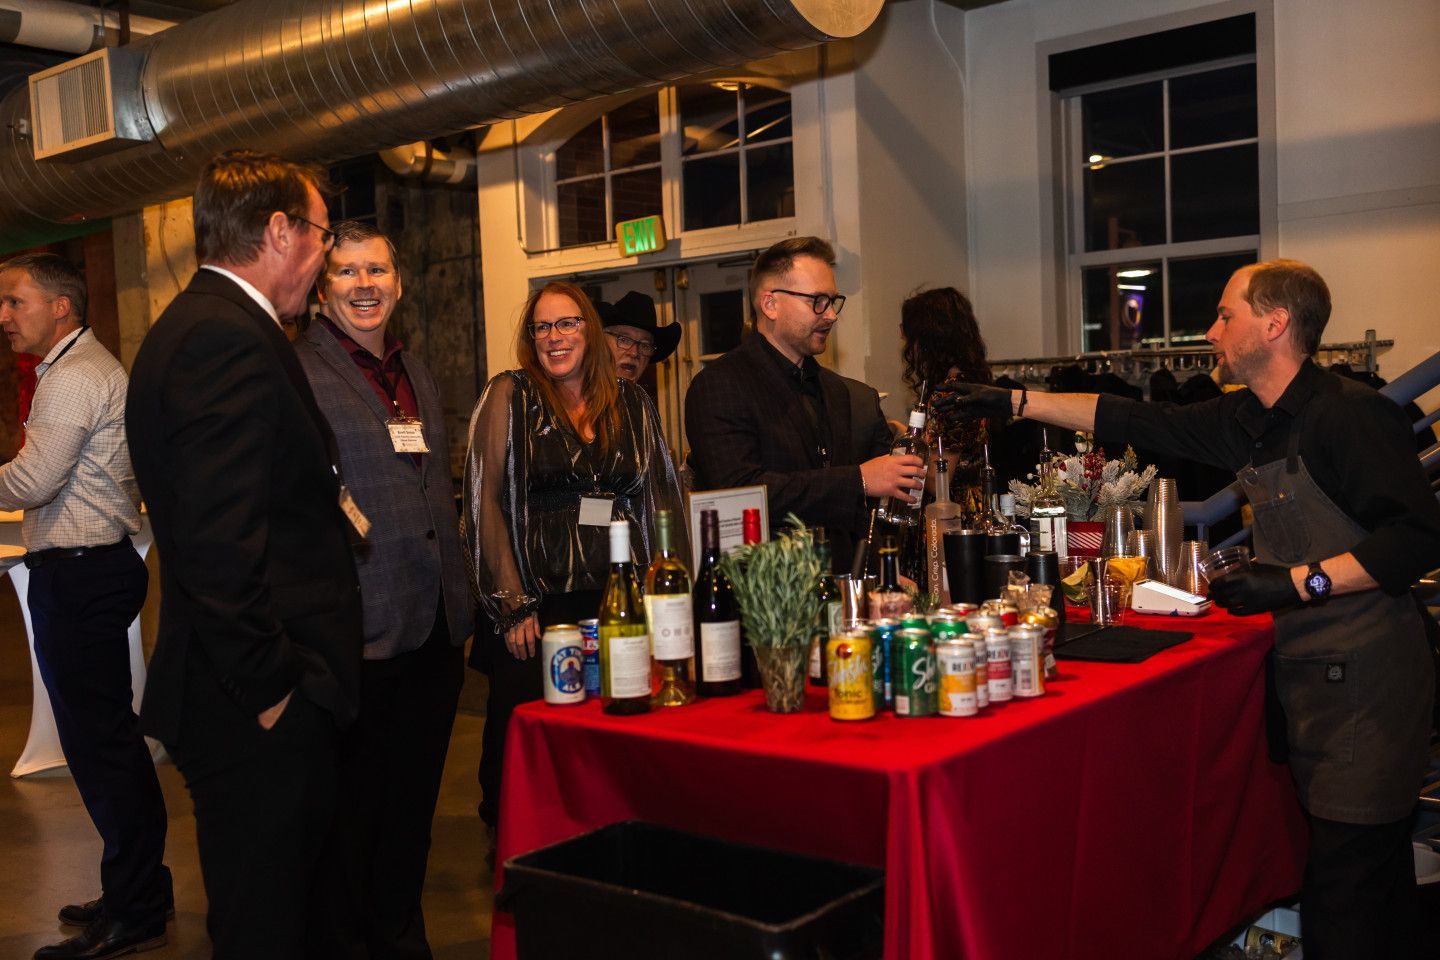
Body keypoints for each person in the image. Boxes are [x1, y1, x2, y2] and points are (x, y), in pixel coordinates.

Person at [939, 259, 1440, 960]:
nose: (1211, 331)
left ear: (1274, 325)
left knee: (1349, 902)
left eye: (1226, 315)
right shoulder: (1250, 418)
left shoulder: (1350, 415)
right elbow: (1136, 416)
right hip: (1313, 682)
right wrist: (1014, 403)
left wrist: (1297, 584)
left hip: (1370, 685)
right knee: (1369, 887)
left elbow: (1416, 539)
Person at [126, 150, 364, 960]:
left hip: (257, 697)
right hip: (250, 708)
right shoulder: (218, 341)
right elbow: (218, 548)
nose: (327, 257)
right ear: (278, 230)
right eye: (324, 236)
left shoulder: (217, 328)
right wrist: (273, 693)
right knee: (267, 929)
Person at [294, 221, 473, 958]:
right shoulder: (297, 371)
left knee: (413, 807)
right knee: (354, 812)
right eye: (346, 273)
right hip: (359, 628)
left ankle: (402, 931)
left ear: (398, 284)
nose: (365, 286)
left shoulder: (416, 372)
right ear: (320, 288)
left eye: (377, 272)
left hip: (433, 624)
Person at [464, 280, 686, 835]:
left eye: (566, 324)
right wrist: (512, 605)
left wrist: (668, 604)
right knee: (522, 754)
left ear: (589, 330)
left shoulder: (631, 403)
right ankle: (518, 862)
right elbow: (482, 499)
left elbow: (660, 498)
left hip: (614, 604)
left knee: (611, 746)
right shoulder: (510, 394)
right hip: (534, 613)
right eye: (542, 327)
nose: (554, 337)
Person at [0, 253, 172, 960]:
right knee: (103, 744)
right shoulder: (79, 366)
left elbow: (34, 481)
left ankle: (136, 909)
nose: (4, 318)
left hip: (81, 575)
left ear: (60, 307)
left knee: (103, 748)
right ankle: (136, 888)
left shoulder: (70, 378)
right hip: (89, 570)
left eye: (15, 302)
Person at [684, 236, 919, 570]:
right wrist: (858, 479)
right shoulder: (719, 385)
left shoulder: (834, 390)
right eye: (817, 301)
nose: (831, 316)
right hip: (764, 591)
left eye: (833, 301)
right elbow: (741, 491)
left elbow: (851, 517)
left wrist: (884, 574)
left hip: (836, 584)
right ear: (770, 304)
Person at [596, 290, 681, 382]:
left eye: (644, 345)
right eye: (624, 340)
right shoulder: (580, 394)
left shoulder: (638, 396)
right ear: (601, 342)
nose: (634, 353)